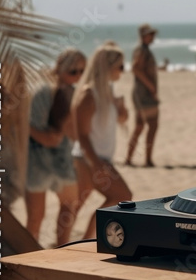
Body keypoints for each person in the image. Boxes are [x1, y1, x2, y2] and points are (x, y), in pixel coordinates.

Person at [71, 42, 132, 239]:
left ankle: (80, 242)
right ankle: (86, 241)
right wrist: (96, 163)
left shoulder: (106, 91)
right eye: (120, 66)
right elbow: (82, 134)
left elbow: (116, 121)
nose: (123, 71)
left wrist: (122, 113)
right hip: (89, 158)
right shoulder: (89, 93)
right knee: (122, 196)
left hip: (96, 158)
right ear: (108, 66)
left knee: (75, 205)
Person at [25, 49, 86, 246]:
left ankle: (61, 249)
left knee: (69, 204)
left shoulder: (72, 92)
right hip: (37, 160)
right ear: (60, 68)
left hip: (61, 160)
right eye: (73, 71)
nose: (77, 76)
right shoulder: (45, 92)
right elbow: (35, 129)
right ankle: (28, 258)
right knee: (36, 218)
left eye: (81, 72)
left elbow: (72, 134)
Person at [126, 24, 159, 167]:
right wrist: (150, 86)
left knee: (146, 126)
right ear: (143, 36)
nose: (153, 37)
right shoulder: (141, 51)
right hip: (143, 94)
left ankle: (142, 159)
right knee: (146, 126)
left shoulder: (144, 50)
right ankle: (139, 159)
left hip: (145, 94)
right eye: (150, 34)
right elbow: (135, 68)